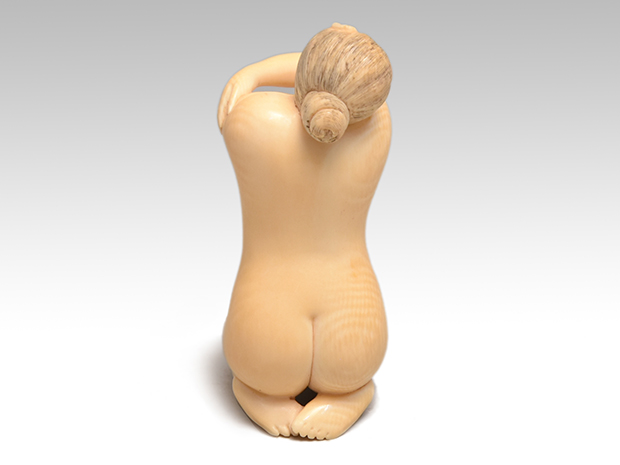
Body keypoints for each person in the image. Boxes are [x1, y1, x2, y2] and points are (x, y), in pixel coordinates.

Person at [217, 23, 392, 440]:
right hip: (351, 304)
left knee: (258, 362)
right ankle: (350, 392)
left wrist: (252, 72)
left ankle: (256, 390)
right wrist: (344, 67)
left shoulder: (253, 122)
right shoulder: (377, 128)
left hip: (267, 301)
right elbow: (361, 82)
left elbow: (310, 70)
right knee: (354, 361)